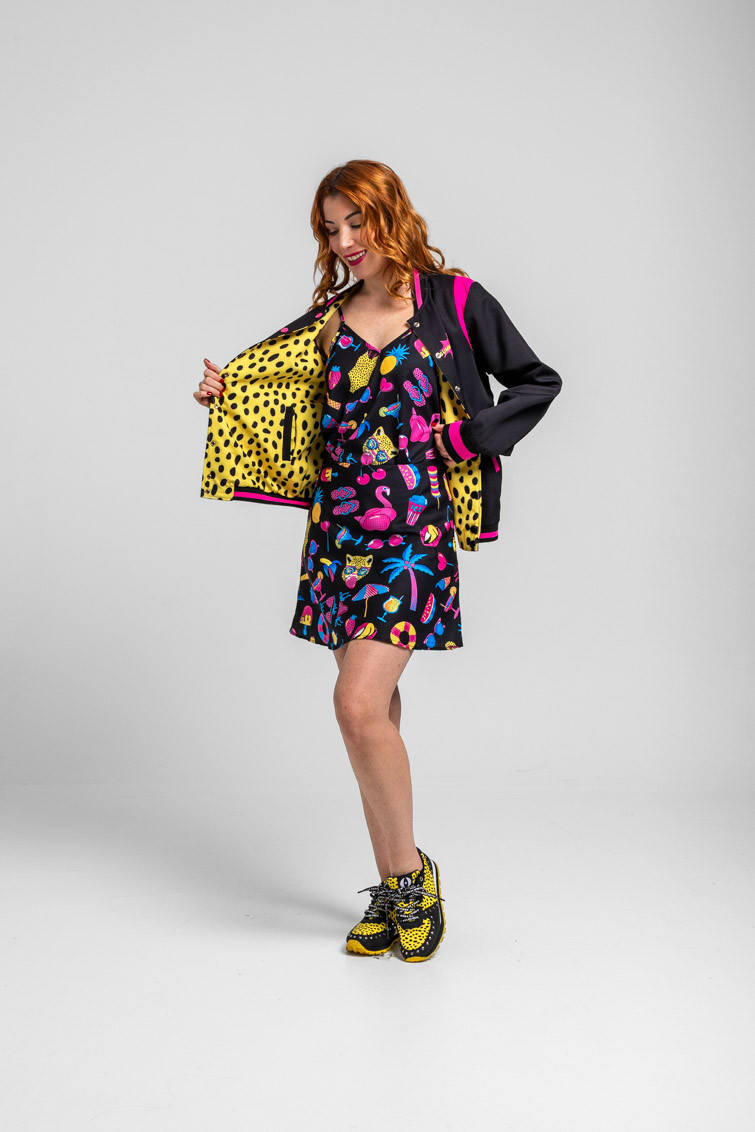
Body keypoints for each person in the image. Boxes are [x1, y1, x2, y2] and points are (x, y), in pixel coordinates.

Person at [194, 160, 562, 962]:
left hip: (413, 535)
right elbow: (279, 395)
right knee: (374, 717)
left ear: (390, 214)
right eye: (330, 229)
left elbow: (537, 381)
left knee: (355, 706)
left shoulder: (454, 302)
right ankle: (397, 885)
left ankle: (409, 881)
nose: (344, 241)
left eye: (356, 222)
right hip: (338, 533)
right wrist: (228, 393)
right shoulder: (327, 319)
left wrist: (465, 437)